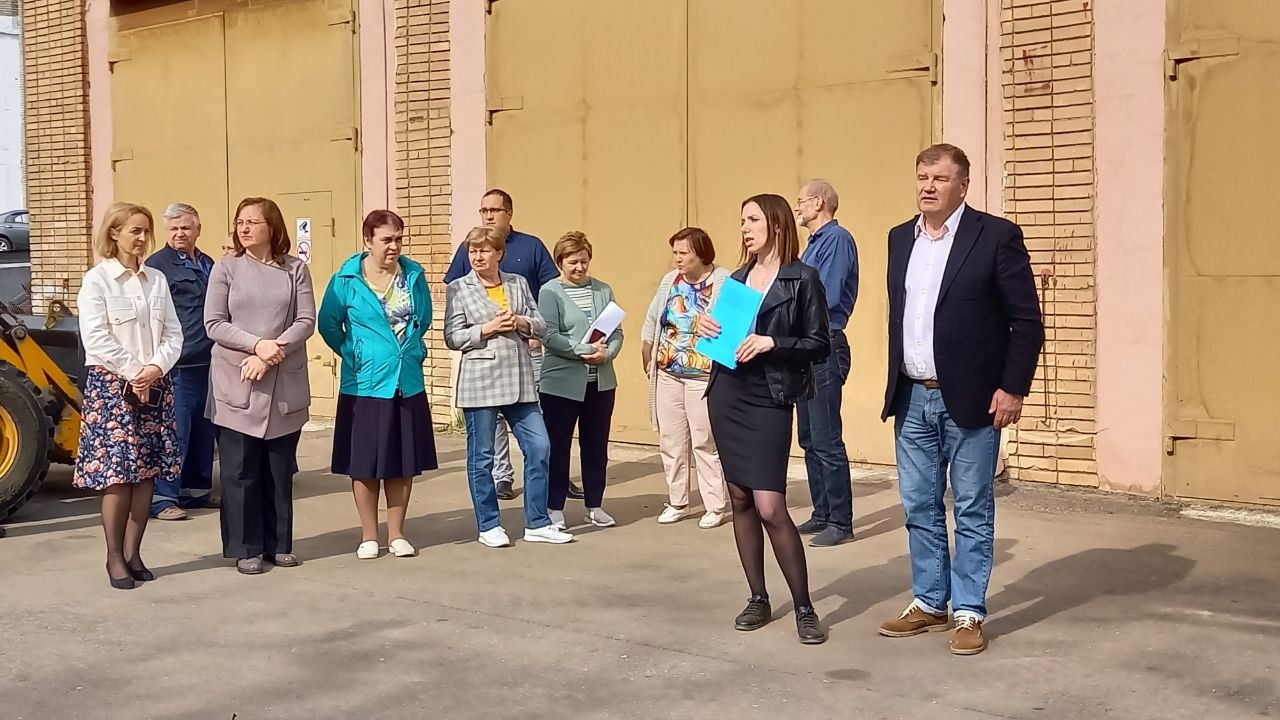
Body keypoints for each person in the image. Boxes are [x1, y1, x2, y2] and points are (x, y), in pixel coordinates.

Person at [878, 144, 1043, 655]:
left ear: (963, 185)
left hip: (973, 399)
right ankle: (930, 602)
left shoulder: (995, 236)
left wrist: (1013, 387)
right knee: (919, 505)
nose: (928, 186)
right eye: (922, 176)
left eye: (941, 178)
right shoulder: (899, 238)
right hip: (912, 395)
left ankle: (969, 611)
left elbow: (1026, 320)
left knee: (971, 507)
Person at [701, 194, 831, 645]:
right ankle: (758, 597)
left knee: (771, 506)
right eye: (742, 220)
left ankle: (804, 606)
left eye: (753, 219)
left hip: (769, 396)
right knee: (739, 498)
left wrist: (773, 342)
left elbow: (820, 343)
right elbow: (722, 337)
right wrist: (707, 329)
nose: (745, 228)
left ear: (775, 224)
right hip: (727, 392)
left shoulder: (802, 278)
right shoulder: (736, 279)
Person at [318, 210, 439, 560]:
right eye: (386, 239)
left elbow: (424, 318)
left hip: (406, 380)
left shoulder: (413, 274)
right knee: (365, 463)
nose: (394, 246)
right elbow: (328, 324)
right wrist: (353, 352)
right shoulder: (347, 279)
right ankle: (369, 535)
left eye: (399, 239)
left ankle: (397, 534)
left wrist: (414, 351)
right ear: (368, 240)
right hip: (364, 383)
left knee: (402, 461)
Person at [75, 202, 183, 589]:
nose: (141, 238)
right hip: (112, 389)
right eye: (134, 231)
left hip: (153, 386)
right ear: (114, 233)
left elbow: (173, 333)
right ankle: (114, 557)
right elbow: (97, 337)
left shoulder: (156, 280)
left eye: (145, 231)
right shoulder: (97, 281)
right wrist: (135, 371)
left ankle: (134, 552)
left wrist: (155, 368)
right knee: (119, 475)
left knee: (147, 472)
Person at [205, 197, 316, 575]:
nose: (244, 228)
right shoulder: (226, 267)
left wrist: (270, 353)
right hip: (237, 382)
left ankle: (278, 544)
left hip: (281, 381)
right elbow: (214, 323)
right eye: (240, 221)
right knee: (239, 472)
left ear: (273, 227)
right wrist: (255, 346)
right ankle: (246, 547)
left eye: (253, 221)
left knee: (278, 470)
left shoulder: (295, 269)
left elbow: (306, 321)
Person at [444, 226, 573, 547]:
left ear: (499, 253)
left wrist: (520, 322)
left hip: (519, 380)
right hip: (480, 382)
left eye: (484, 251)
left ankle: (537, 522)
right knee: (482, 457)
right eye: (473, 251)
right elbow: (452, 337)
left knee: (540, 447)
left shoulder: (517, 283)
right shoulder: (459, 288)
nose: (477, 257)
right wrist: (486, 329)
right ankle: (489, 525)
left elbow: (540, 325)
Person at [640, 227, 731, 528]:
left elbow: (732, 328)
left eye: (684, 253)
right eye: (675, 253)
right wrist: (647, 351)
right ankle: (678, 501)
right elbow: (653, 318)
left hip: (702, 376)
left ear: (701, 254)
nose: (677, 258)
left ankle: (715, 505)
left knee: (704, 441)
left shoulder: (723, 281)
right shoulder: (671, 281)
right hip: (669, 373)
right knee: (672, 440)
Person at [537, 231, 624, 530]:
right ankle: (554, 508)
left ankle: (595, 506)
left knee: (596, 447)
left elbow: (616, 332)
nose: (580, 267)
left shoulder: (603, 290)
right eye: (573, 262)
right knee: (557, 447)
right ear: (560, 262)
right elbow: (549, 336)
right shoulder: (550, 292)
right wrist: (583, 350)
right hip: (560, 385)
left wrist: (606, 354)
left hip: (600, 383)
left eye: (584, 261)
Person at [794, 179, 860, 547]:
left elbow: (827, 295)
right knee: (808, 438)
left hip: (824, 343)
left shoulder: (836, 240)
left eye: (801, 201)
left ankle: (840, 520)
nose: (798, 207)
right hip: (806, 346)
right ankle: (821, 512)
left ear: (819, 203)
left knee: (826, 437)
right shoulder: (813, 244)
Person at [144, 203, 218, 520]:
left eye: (185, 227)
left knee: (204, 431)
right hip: (177, 366)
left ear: (198, 229)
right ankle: (162, 499)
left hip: (209, 363)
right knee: (175, 434)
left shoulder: (207, 263)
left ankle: (195, 492)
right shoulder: (157, 266)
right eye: (173, 228)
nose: (179, 234)